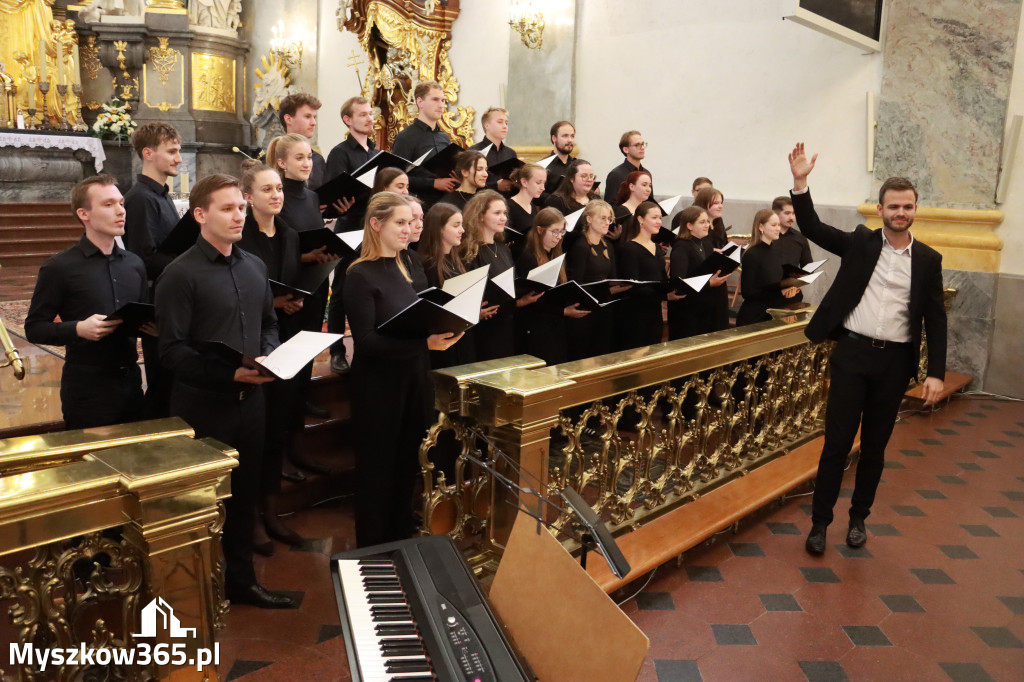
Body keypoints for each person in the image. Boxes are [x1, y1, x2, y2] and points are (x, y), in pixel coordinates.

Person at [787, 142, 946, 556]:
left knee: (875, 446)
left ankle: (859, 518)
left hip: (895, 362)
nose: (900, 213)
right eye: (893, 206)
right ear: (881, 210)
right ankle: (820, 523)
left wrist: (936, 372)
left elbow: (936, 317)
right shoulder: (861, 243)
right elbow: (815, 229)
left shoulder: (928, 259)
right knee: (837, 443)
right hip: (853, 356)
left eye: (907, 207)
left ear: (915, 210)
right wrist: (800, 183)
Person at [155, 174, 295, 608]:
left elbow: (268, 323)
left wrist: (269, 355)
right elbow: (171, 352)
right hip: (202, 408)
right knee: (199, 506)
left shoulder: (253, 266)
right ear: (200, 215)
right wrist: (228, 375)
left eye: (240, 207)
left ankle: (241, 582)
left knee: (244, 498)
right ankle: (192, 593)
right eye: (228, 209)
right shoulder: (179, 275)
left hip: (251, 405)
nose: (239, 216)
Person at [343, 192, 462, 546]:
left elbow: (415, 318)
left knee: (409, 459)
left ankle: (398, 533)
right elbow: (365, 341)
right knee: (377, 467)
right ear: (376, 224)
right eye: (400, 222)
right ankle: (373, 544)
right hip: (378, 384)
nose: (409, 228)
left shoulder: (407, 263)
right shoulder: (359, 274)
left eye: (410, 222)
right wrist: (423, 344)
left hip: (413, 375)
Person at [25, 175, 149, 430]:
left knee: (135, 462)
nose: (120, 211)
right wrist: (77, 329)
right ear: (84, 214)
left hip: (132, 382)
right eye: (108, 204)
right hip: (88, 388)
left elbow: (141, 317)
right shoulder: (60, 267)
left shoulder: (135, 264)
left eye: (121, 203)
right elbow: (34, 327)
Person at [237, 160, 306, 554]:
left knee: (278, 425)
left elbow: (291, 279)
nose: (277, 195)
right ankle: (252, 521)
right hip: (253, 341)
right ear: (248, 197)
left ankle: (273, 513)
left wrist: (292, 299)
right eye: (267, 189)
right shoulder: (241, 236)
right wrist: (275, 301)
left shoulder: (290, 235)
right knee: (257, 437)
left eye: (279, 188)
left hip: (286, 337)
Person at [268, 133, 335, 415]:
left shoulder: (311, 196)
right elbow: (273, 247)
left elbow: (313, 236)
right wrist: (305, 256)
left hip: (316, 280)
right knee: (289, 345)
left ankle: (302, 397)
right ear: (282, 162)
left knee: (308, 342)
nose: (307, 163)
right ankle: (286, 403)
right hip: (290, 284)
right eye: (299, 157)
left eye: (309, 157)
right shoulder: (276, 196)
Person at [122, 122, 183, 419]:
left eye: (178, 151)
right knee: (162, 381)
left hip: (170, 292)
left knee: (173, 378)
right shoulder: (140, 198)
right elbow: (143, 257)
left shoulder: (161, 195)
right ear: (148, 153)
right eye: (171, 151)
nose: (178, 158)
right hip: (157, 297)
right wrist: (190, 265)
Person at [324, 96, 377, 373]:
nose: (370, 119)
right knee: (342, 291)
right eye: (363, 115)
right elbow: (334, 192)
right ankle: (336, 350)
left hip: (374, 227)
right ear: (348, 120)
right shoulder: (340, 152)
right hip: (350, 226)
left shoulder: (374, 151)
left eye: (370, 114)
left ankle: (367, 343)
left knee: (371, 287)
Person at [515, 208, 589, 365]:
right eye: (554, 232)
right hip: (537, 328)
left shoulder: (554, 255)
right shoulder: (529, 257)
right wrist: (562, 311)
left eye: (561, 232)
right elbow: (532, 299)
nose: (559, 237)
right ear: (540, 230)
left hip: (555, 325)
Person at [418, 202, 476, 369]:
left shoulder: (455, 260)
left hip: (461, 337)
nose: (462, 230)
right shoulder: (429, 264)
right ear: (440, 229)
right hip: (443, 343)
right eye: (456, 225)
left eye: (462, 225)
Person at [565, 200, 626, 359]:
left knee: (602, 355)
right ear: (589, 219)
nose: (607, 223)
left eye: (609, 219)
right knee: (584, 356)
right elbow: (575, 283)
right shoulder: (581, 246)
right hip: (585, 309)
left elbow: (611, 279)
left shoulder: (608, 246)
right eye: (603, 218)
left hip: (604, 307)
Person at [616, 201, 680, 349]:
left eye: (660, 218)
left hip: (654, 312)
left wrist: (672, 289)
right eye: (654, 217)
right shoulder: (630, 248)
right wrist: (663, 295)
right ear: (640, 219)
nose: (659, 222)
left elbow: (661, 279)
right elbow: (632, 286)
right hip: (635, 314)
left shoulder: (657, 248)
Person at [461, 190, 516, 361]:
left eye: (504, 213)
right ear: (480, 216)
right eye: (497, 213)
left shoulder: (504, 248)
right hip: (483, 328)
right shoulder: (469, 251)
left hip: (506, 323)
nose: (503, 218)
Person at [391, 81, 459, 205]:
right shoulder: (405, 137)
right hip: (418, 204)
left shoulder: (444, 137)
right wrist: (434, 183)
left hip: (445, 203)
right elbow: (395, 179)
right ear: (420, 102)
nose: (441, 105)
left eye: (443, 100)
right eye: (435, 100)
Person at [668, 206, 730, 340]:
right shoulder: (681, 247)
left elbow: (705, 270)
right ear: (689, 225)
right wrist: (709, 283)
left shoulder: (705, 244)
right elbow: (679, 283)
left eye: (707, 221)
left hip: (704, 308)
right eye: (702, 222)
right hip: (687, 312)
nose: (707, 225)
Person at [736, 209, 801, 327]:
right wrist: (780, 292)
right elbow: (748, 293)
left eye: (779, 225)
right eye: (774, 225)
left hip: (772, 314)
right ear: (761, 227)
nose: (778, 229)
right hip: (755, 318)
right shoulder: (752, 254)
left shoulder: (774, 250)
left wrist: (790, 287)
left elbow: (774, 283)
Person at [692, 187, 731, 331]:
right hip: (705, 281)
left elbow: (724, 245)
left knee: (720, 323)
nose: (720, 206)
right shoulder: (698, 226)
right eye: (715, 203)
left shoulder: (719, 223)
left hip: (719, 278)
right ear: (704, 203)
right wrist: (711, 252)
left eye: (721, 202)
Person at [279, 93, 326, 189]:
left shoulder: (318, 160)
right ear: (288, 119)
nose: (313, 123)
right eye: (307, 117)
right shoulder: (272, 157)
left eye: (314, 117)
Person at [469, 107, 518, 193]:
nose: (505, 126)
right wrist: (496, 186)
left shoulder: (511, 153)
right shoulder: (473, 152)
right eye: (500, 122)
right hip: (482, 201)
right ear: (486, 125)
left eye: (506, 123)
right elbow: (469, 184)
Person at [506, 162, 545, 253]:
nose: (543, 188)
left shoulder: (533, 207)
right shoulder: (508, 206)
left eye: (544, 183)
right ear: (524, 182)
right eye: (538, 183)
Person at [604, 130, 651, 203]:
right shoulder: (616, 175)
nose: (642, 148)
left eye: (643, 144)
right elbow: (610, 206)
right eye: (637, 145)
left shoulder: (646, 173)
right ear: (626, 149)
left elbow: (650, 202)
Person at [772, 195, 813, 269]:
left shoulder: (800, 238)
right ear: (775, 214)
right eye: (787, 213)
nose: (791, 217)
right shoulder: (765, 236)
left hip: (792, 280)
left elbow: (808, 267)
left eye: (794, 213)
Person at [612, 170, 653, 239]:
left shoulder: (647, 210)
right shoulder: (621, 212)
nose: (648, 189)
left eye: (650, 186)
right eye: (644, 185)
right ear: (632, 187)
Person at [401, 196, 429, 292]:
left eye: (421, 218)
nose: (420, 225)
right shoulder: (389, 258)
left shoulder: (415, 256)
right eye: (413, 219)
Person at [544, 120, 576, 195]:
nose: (570, 140)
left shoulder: (577, 165)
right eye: (565, 136)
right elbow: (537, 197)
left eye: (572, 136)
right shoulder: (543, 166)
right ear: (554, 138)